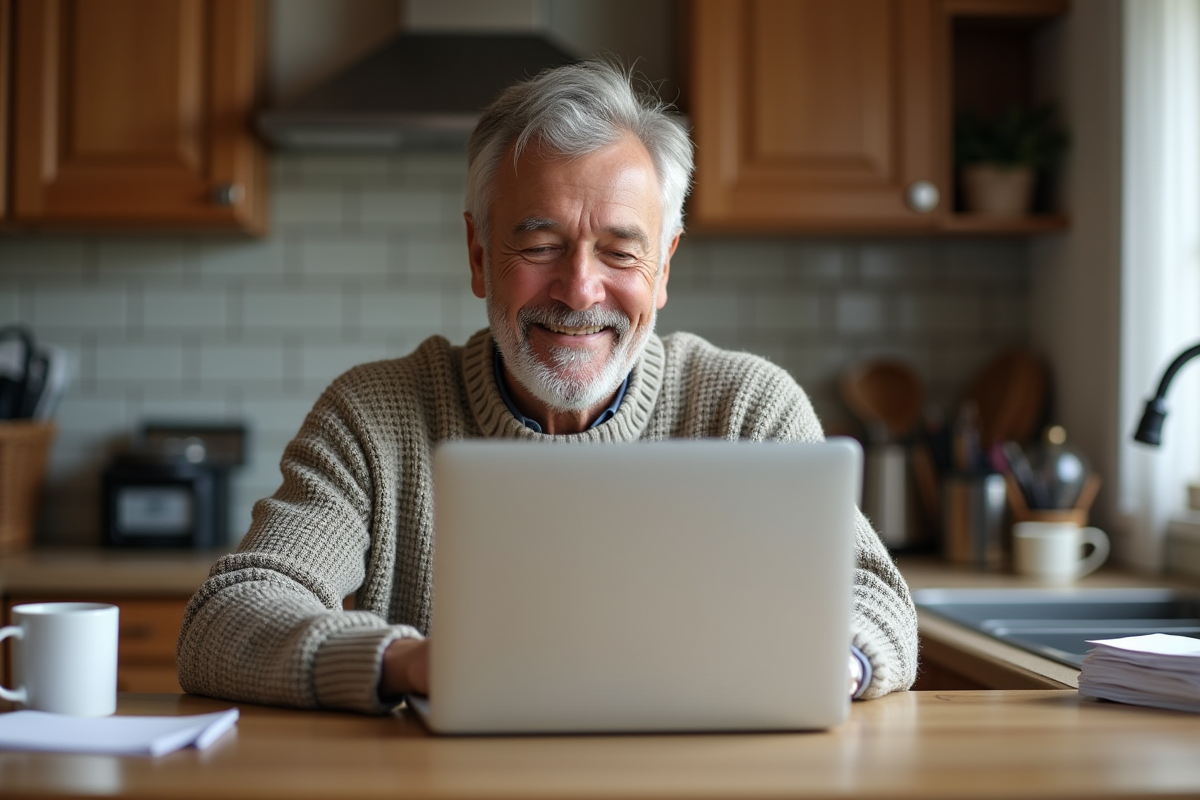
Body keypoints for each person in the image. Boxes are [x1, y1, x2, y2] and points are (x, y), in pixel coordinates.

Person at [176, 60, 919, 714]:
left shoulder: (747, 408)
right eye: (540, 246)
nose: (579, 289)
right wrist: (410, 663)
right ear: (478, 255)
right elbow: (226, 617)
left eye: (620, 253)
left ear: (664, 267)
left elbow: (874, 597)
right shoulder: (372, 416)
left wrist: (832, 662)